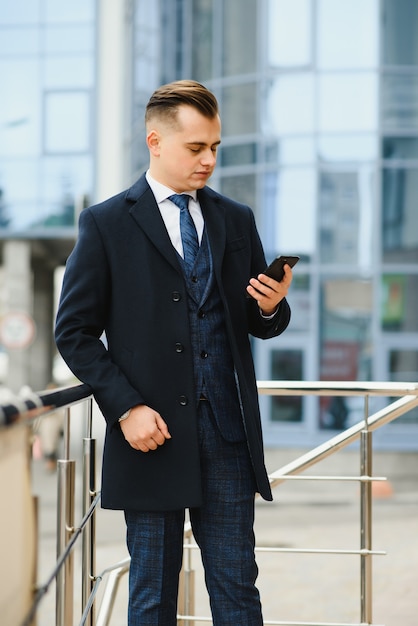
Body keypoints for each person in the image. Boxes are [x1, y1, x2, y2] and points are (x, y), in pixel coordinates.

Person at [55, 80, 293, 626]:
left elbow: (259, 325)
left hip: (228, 436)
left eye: (214, 148)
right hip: (151, 434)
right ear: (155, 142)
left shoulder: (236, 219)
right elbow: (74, 332)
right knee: (152, 596)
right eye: (196, 148)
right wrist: (126, 407)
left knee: (238, 592)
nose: (208, 160)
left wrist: (271, 307)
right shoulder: (107, 223)